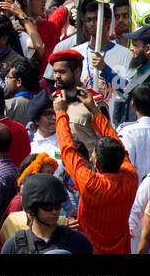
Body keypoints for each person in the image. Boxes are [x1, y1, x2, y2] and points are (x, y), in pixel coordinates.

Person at [55, 87, 138, 254]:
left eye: (92, 153)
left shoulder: (89, 183)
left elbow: (67, 149)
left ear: (96, 163)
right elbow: (118, 145)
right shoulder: (131, 178)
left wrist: (60, 113)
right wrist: (94, 110)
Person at [1, 172, 94, 254]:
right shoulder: (14, 247)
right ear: (32, 208)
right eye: (47, 206)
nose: (54, 211)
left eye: (57, 205)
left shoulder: (78, 242)